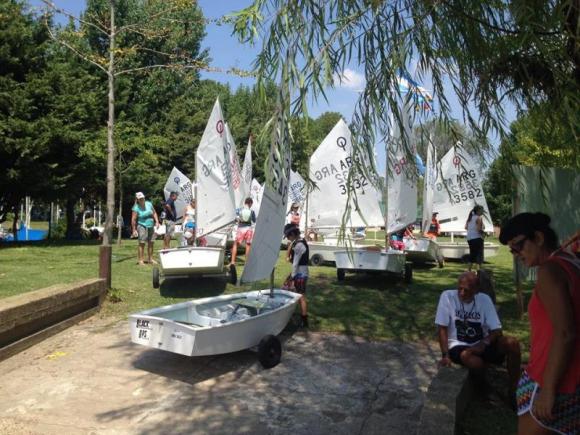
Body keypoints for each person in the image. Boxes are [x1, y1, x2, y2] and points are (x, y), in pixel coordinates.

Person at [500, 213, 580, 435]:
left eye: (518, 246)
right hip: (568, 379)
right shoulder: (571, 262)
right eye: (512, 251)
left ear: (538, 238)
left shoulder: (549, 270)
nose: (517, 255)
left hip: (551, 381)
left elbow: (565, 333)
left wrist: (548, 389)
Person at [435, 271, 521, 399]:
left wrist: (483, 343)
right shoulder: (447, 296)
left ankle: (514, 389)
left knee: (512, 343)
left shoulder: (484, 299)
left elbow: (497, 330)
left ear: (476, 291)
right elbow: (442, 327)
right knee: (468, 357)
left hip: (482, 342)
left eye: (466, 290)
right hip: (459, 344)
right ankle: (482, 385)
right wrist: (445, 355)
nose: (462, 293)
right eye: (460, 289)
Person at [283, 223, 310, 327]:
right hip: (300, 272)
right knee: (291, 292)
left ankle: (304, 320)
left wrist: (292, 276)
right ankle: (292, 315)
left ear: (293, 234)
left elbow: (295, 263)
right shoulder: (300, 242)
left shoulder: (299, 245)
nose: (288, 238)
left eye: (288, 236)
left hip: (300, 274)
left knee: (301, 296)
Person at [131, 192, 160, 266]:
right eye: (140, 199)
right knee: (142, 243)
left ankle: (150, 259)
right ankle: (141, 260)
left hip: (151, 225)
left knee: (151, 242)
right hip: (142, 226)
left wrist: (157, 222)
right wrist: (134, 230)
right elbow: (133, 219)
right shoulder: (136, 208)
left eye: (142, 198)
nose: (142, 199)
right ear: (137, 199)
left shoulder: (149, 204)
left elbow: (154, 213)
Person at [230, 197, 256, 265]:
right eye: (251, 204)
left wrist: (237, 220)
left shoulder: (239, 210)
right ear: (250, 203)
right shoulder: (252, 211)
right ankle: (246, 263)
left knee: (235, 244)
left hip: (241, 228)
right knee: (248, 245)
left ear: (245, 203)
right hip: (249, 228)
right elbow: (254, 220)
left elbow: (235, 217)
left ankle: (232, 262)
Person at [465, 205, 485, 271]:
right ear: (478, 211)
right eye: (482, 210)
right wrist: (484, 233)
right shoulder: (479, 218)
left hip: (469, 238)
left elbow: (466, 227)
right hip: (477, 238)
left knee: (472, 255)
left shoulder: (470, 218)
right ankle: (479, 271)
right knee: (479, 255)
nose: (483, 211)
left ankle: (468, 270)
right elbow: (479, 229)